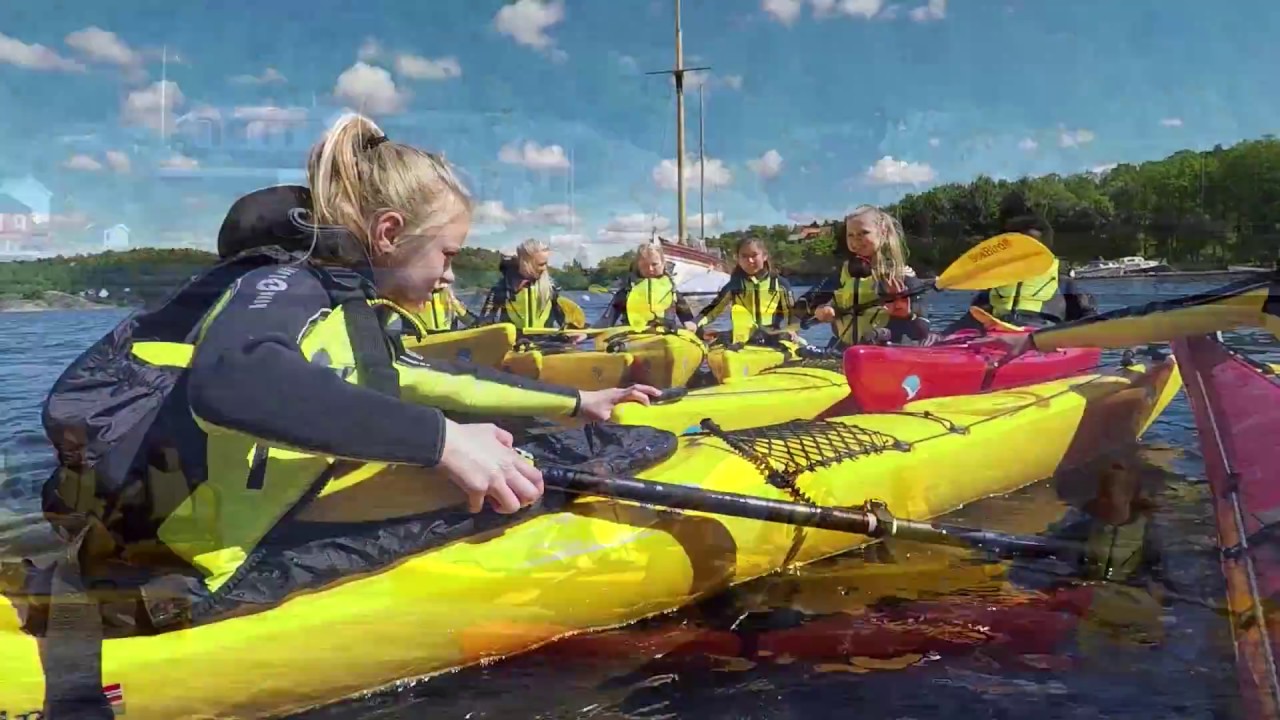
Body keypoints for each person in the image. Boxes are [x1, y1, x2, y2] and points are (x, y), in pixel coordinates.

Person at [45, 113, 662, 596]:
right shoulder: (286, 282)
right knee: (511, 494)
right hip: (197, 556)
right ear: (389, 234)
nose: (450, 277)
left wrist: (578, 401)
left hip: (218, 525)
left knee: (516, 456)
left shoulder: (346, 304)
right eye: (447, 255)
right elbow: (235, 378)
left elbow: (431, 378)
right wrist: (443, 442)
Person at [797, 205, 935, 348]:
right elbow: (803, 306)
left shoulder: (901, 275)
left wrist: (906, 315)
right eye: (850, 235)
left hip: (884, 350)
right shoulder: (842, 273)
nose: (856, 240)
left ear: (882, 232)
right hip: (844, 350)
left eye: (864, 233)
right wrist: (821, 310)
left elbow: (923, 329)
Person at [943, 213, 1096, 334]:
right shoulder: (997, 280)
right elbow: (975, 316)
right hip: (998, 333)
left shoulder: (1061, 280)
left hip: (1042, 335)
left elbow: (1087, 316)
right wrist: (942, 336)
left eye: (1029, 245)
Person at [694, 236, 797, 344]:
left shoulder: (780, 284)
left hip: (773, 338)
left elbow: (792, 313)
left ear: (764, 256)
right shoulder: (734, 285)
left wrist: (792, 330)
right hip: (742, 338)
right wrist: (695, 323)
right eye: (744, 256)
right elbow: (713, 309)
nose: (750, 261)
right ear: (738, 259)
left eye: (754, 255)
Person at [595, 241, 697, 332]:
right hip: (633, 337)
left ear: (663, 264)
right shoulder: (626, 292)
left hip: (666, 335)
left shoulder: (672, 291)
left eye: (654, 264)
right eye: (644, 265)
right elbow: (607, 320)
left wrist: (697, 329)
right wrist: (588, 333)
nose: (650, 269)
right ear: (638, 266)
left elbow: (689, 320)